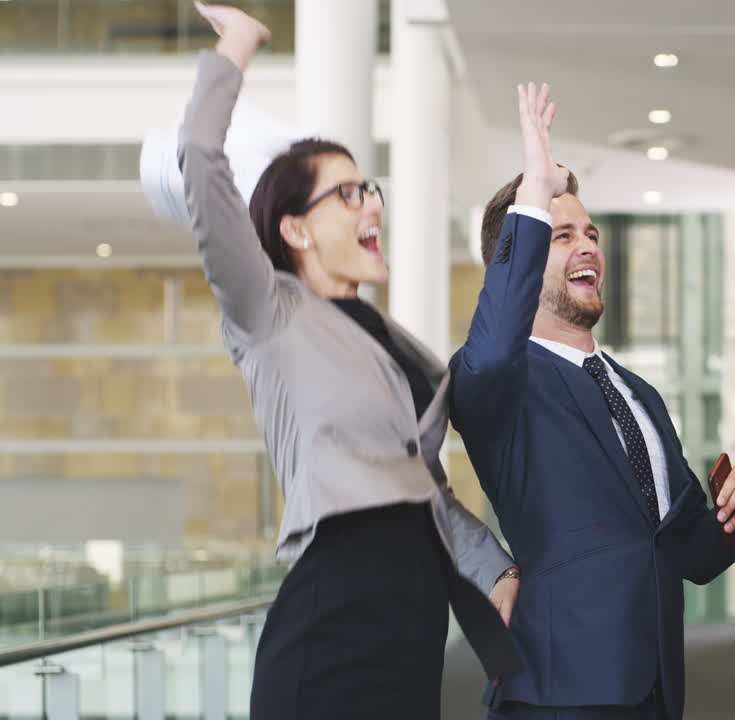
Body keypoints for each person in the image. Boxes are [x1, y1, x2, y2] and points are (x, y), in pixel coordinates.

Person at [181, 4, 519, 717]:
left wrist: (494, 569)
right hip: (333, 616)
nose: (371, 205)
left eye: (371, 189)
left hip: (411, 626)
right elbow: (202, 164)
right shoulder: (266, 311)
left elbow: (429, 492)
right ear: (295, 228)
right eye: (348, 192)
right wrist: (237, 47)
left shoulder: (399, 345)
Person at [449, 82, 735, 720]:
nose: (589, 246)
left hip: (655, 690)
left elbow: (687, 552)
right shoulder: (498, 381)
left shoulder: (641, 395)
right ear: (510, 267)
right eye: (561, 234)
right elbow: (490, 351)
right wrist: (531, 195)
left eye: (591, 233)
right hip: (557, 692)